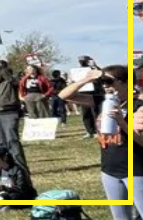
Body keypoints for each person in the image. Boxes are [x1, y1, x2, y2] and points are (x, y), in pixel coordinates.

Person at [59, 63, 140, 220]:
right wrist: (86, 79)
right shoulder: (101, 101)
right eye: (102, 83)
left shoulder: (138, 105)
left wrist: (122, 123)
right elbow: (64, 96)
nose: (105, 87)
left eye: (109, 82)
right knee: (121, 217)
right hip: (109, 169)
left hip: (136, 169)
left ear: (125, 82)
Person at [76, 55, 105, 138]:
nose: (82, 62)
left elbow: (101, 76)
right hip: (84, 93)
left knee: (96, 112)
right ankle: (89, 131)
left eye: (84, 61)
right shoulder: (79, 71)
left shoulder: (96, 69)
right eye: (80, 61)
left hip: (96, 93)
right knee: (86, 113)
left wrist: (94, 66)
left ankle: (98, 130)